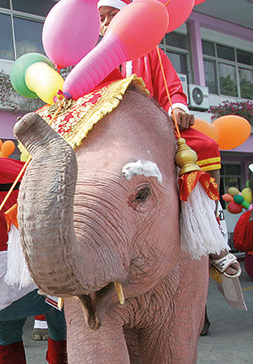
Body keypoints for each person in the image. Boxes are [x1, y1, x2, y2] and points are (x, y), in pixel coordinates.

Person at [98, 0, 240, 278]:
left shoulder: (150, 52)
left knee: (205, 145)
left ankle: (209, 231)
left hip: (154, 129)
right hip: (110, 132)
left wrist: (177, 108)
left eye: (111, 15)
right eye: (101, 18)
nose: (104, 23)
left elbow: (172, 90)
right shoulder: (96, 56)